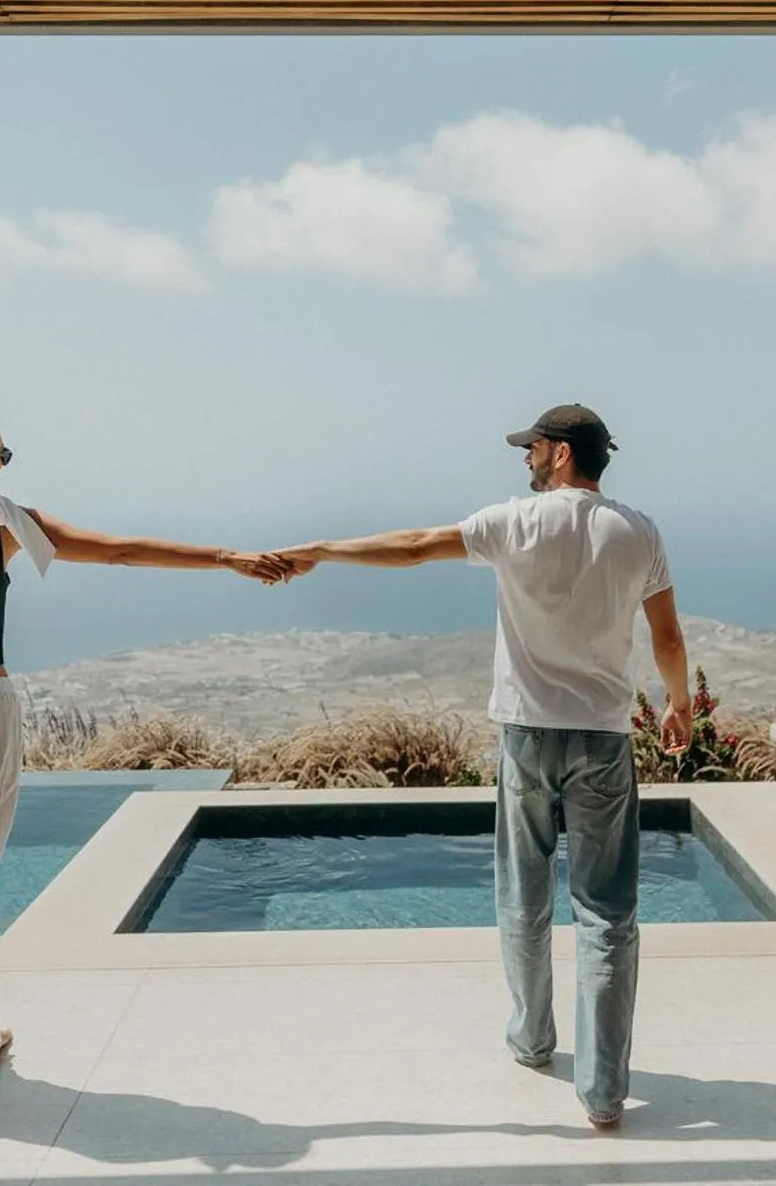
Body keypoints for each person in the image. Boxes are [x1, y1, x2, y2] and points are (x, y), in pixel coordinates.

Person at [0, 404, 291, 1130]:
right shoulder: (4, 522)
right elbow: (122, 551)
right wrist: (227, 556)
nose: (6, 465)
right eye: (3, 453)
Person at [276, 404, 690, 1128]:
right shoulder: (640, 530)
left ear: (558, 452)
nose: (523, 460)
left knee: (523, 893)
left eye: (530, 449)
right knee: (607, 913)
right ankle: (602, 1091)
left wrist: (322, 548)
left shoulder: (513, 523)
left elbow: (412, 546)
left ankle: (532, 1039)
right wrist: (677, 703)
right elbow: (667, 636)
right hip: (601, 740)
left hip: (527, 738)